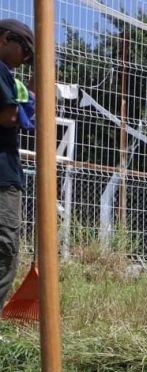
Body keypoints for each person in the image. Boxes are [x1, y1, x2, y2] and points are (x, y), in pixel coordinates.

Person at [0, 19, 33, 306]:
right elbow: (8, 116)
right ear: (5, 40)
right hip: (3, 178)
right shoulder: (1, 71)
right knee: (5, 252)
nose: (26, 61)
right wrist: (22, 108)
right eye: (25, 51)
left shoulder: (9, 76)